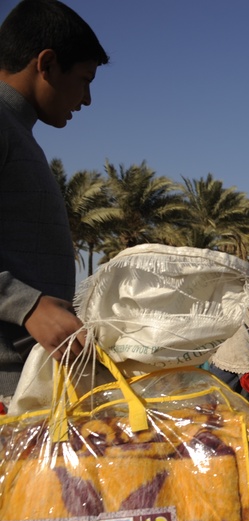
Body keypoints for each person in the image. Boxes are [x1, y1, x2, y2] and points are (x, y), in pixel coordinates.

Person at [0, 0, 109, 403]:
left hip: (28, 381)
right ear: (45, 64)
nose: (87, 99)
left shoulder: (17, 130)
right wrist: (27, 306)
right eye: (84, 79)